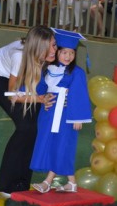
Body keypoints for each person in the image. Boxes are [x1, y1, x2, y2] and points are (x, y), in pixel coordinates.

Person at [0, 26, 57, 198]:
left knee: (34, 128)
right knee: (25, 127)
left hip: (25, 78)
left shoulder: (46, 55)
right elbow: (13, 95)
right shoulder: (19, 57)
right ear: (39, 47)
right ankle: (3, 184)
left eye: (55, 44)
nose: (55, 49)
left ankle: (22, 183)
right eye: (52, 46)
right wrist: (39, 99)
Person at [31, 29, 92, 193]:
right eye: (64, 52)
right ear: (57, 52)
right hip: (48, 114)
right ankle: (71, 183)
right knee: (53, 145)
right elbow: (41, 89)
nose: (68, 56)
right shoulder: (48, 70)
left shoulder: (76, 73)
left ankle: (47, 182)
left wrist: (77, 118)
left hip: (66, 116)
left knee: (62, 146)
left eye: (71, 53)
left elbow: (80, 95)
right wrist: (41, 96)